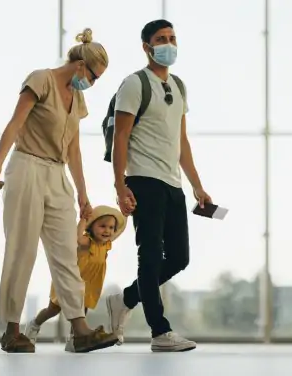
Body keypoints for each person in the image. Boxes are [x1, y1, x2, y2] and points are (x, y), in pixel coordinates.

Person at [0, 28, 119, 353]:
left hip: (57, 175)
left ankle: (80, 329)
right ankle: (12, 330)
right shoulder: (41, 79)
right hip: (26, 166)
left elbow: (73, 148)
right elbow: (15, 123)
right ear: (79, 65)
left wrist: (82, 194)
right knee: (22, 249)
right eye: (94, 76)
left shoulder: (78, 98)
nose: (93, 83)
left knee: (67, 254)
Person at [104, 19, 212, 352]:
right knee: (149, 255)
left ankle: (125, 299)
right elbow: (120, 137)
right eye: (161, 39)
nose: (168, 43)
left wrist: (197, 185)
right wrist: (120, 185)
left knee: (179, 257)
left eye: (172, 38)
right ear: (146, 47)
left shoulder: (178, 86)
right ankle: (159, 332)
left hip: (172, 182)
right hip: (143, 179)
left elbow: (181, 140)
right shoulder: (134, 84)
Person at [23, 205, 127, 352]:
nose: (107, 231)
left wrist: (126, 214)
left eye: (111, 227)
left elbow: (120, 230)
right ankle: (35, 324)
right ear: (91, 226)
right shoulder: (87, 241)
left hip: (90, 283)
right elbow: (77, 238)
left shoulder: (106, 243)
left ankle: (74, 339)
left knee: (82, 310)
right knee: (53, 309)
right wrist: (84, 219)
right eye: (102, 226)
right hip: (71, 280)